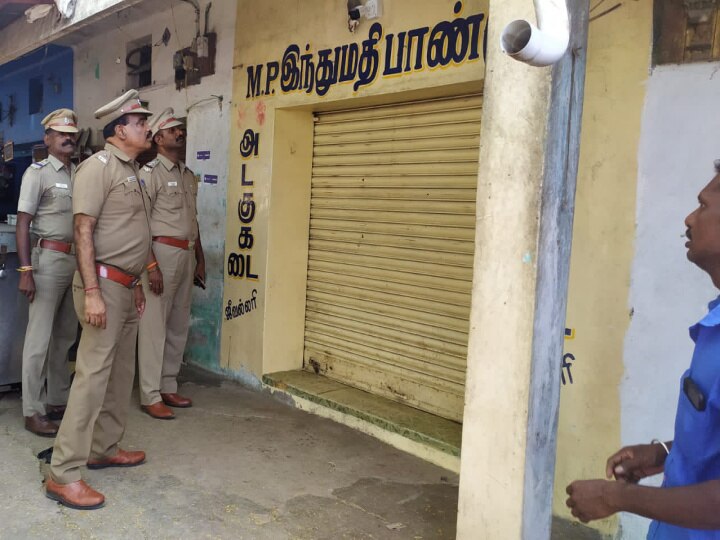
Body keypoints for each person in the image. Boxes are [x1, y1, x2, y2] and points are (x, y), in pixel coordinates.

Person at [566, 163, 720, 537]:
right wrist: (663, 454)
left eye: (702, 206)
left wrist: (614, 497)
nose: (689, 217)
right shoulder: (714, 323)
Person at [45, 90, 153, 510]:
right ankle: (63, 472)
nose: (147, 127)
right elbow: (83, 232)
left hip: (127, 286)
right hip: (102, 286)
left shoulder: (134, 171)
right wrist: (92, 292)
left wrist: (139, 281)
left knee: (120, 373)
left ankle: (104, 447)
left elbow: (133, 233)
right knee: (91, 378)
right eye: (141, 122)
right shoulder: (98, 168)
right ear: (119, 130)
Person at [137, 108, 204, 420]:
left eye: (181, 129)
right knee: (154, 326)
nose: (180, 133)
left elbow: (194, 221)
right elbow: (140, 224)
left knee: (178, 322)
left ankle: (167, 384)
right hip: (161, 254)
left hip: (186, 253)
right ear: (159, 139)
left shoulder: (187, 175)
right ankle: (149, 393)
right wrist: (151, 265)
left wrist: (200, 259)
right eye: (173, 130)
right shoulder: (149, 175)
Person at [16, 109, 79, 437]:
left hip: (73, 262)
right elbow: (23, 223)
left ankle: (57, 400)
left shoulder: (77, 173)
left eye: (71, 132)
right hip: (47, 261)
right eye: (60, 133)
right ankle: (32, 410)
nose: (68, 137)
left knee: (65, 337)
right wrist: (26, 270)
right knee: (39, 339)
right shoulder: (36, 173)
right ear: (48, 138)